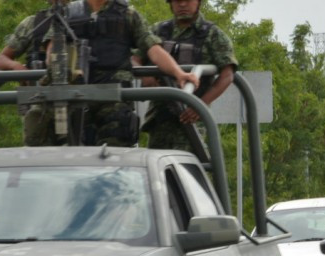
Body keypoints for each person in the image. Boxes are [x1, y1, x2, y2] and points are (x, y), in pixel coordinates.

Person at [24, 0, 200, 147]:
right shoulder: (67, 13)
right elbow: (52, 49)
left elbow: (153, 49)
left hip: (112, 94)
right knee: (39, 125)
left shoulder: (128, 15)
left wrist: (178, 73)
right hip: (72, 93)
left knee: (116, 143)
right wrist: (61, 65)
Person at [141, 0, 238, 152]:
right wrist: (145, 76)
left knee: (186, 169)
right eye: (177, 0)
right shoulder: (157, 31)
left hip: (189, 122)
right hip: (159, 119)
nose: (182, 4)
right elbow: (136, 58)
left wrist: (200, 105)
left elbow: (228, 75)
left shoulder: (212, 34)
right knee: (157, 170)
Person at [0, 1, 88, 145]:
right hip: (39, 101)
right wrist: (16, 66)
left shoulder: (85, 18)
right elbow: (1, 59)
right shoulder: (34, 22)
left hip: (76, 102)